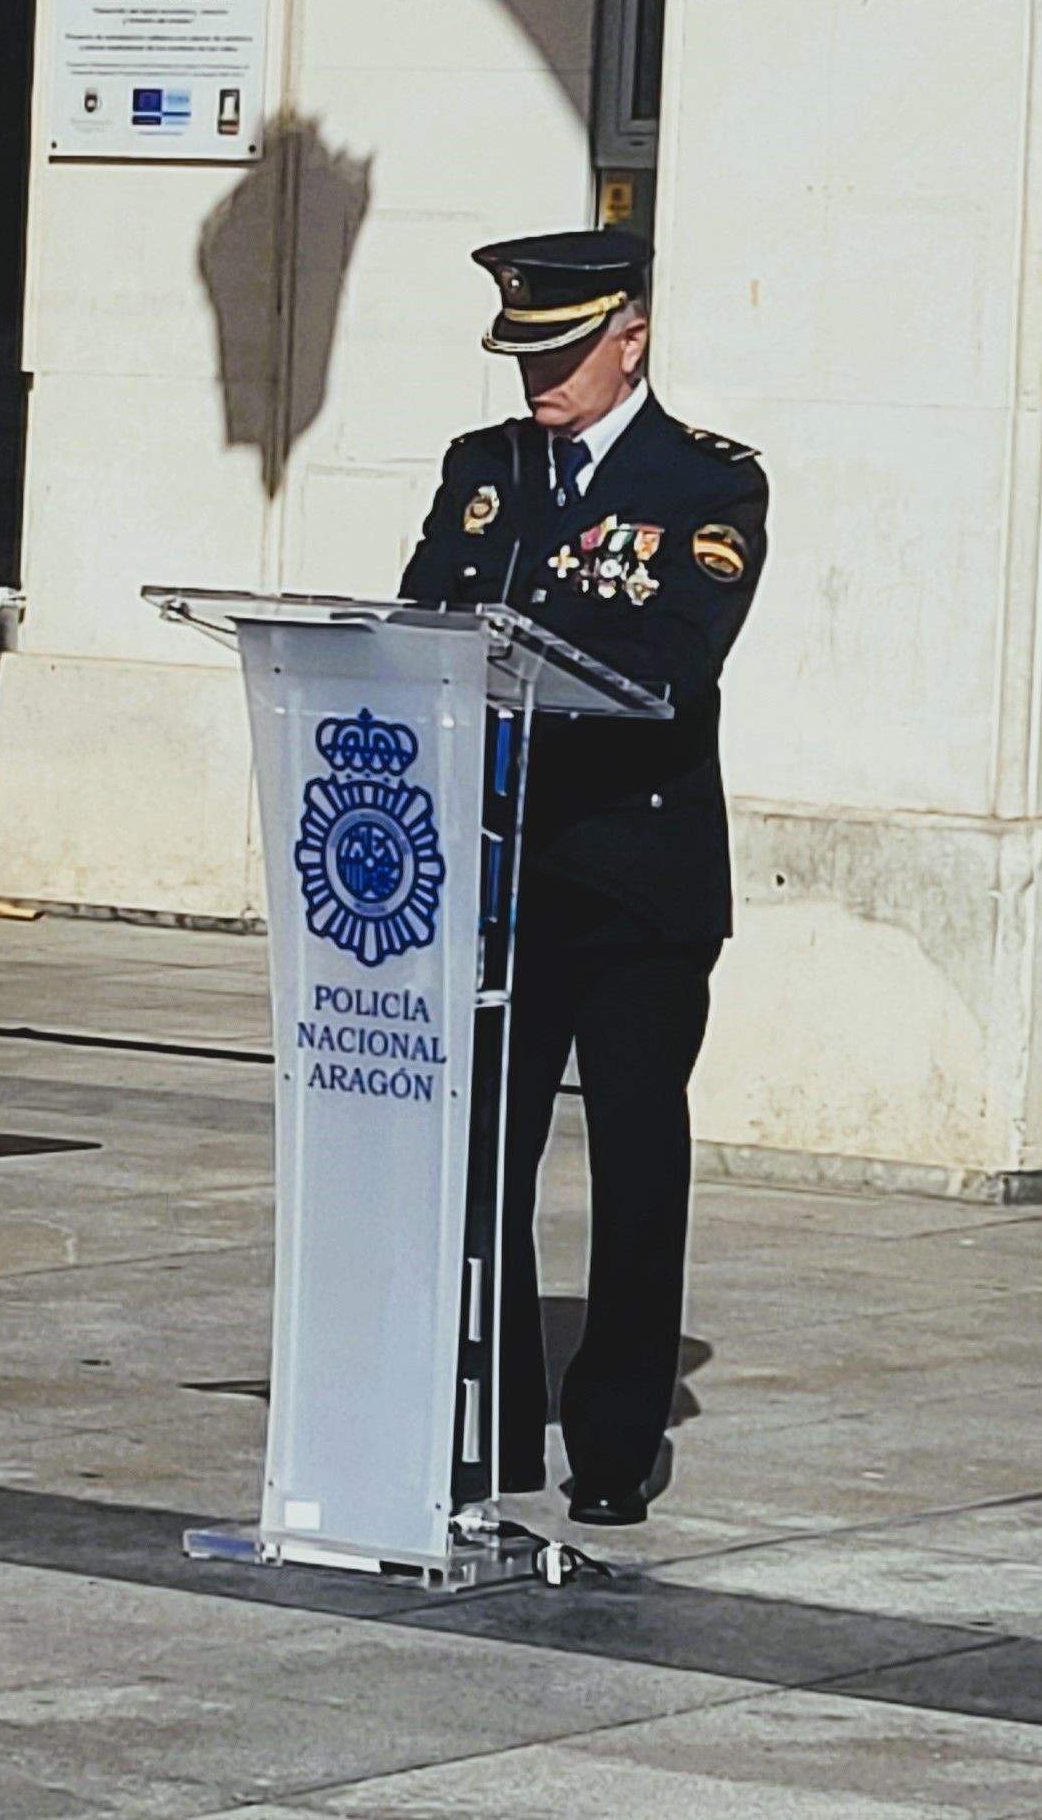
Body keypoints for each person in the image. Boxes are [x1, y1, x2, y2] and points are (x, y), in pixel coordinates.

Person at [396, 228, 767, 1528]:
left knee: (631, 1152)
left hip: (636, 876)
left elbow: (674, 651)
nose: (536, 378)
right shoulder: (485, 471)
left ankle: (613, 1440)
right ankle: (488, 1421)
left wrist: (528, 640)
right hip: (502, 870)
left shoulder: (705, 484)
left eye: (559, 352)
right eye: (522, 354)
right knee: (484, 1153)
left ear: (632, 336)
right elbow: (422, 616)